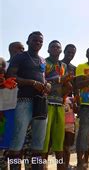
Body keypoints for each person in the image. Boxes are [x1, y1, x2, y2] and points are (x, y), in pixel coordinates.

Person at [6, 32, 51, 170]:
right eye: (34, 40)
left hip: (41, 102)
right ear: (28, 42)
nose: (38, 43)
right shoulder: (19, 57)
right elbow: (11, 76)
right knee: (17, 140)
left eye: (40, 41)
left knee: (38, 141)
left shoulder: (43, 60)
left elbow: (42, 78)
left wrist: (47, 85)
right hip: (23, 101)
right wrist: (31, 83)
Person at [42, 40, 68, 169]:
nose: (55, 49)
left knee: (59, 141)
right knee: (44, 141)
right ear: (48, 50)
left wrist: (68, 83)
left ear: (60, 51)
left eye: (58, 47)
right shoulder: (44, 62)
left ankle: (60, 167)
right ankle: (43, 166)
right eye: (52, 47)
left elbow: (65, 86)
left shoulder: (63, 65)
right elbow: (41, 80)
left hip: (59, 104)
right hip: (46, 103)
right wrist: (58, 79)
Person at [0, 42, 24, 169]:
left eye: (23, 49)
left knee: (17, 146)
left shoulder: (26, 69)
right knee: (3, 146)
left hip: (21, 110)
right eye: (18, 48)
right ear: (10, 49)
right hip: (4, 111)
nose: (21, 51)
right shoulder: (4, 65)